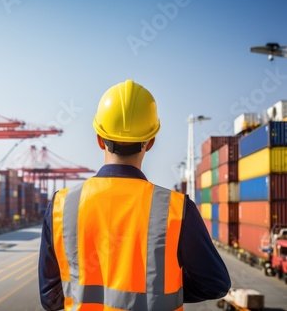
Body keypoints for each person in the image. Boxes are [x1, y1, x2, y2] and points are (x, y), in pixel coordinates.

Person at [38, 80, 231, 311]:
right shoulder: (176, 209)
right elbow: (215, 283)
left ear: (100, 140)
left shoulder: (62, 206)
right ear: (150, 142)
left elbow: (50, 298)